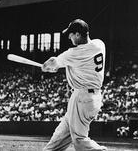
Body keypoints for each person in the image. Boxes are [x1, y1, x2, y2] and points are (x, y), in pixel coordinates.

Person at [42, 19, 107, 151]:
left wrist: (46, 67)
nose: (69, 37)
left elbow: (52, 63)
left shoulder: (74, 53)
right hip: (93, 97)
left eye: (71, 34)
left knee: (79, 140)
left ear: (78, 34)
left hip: (82, 97)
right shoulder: (99, 44)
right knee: (62, 133)